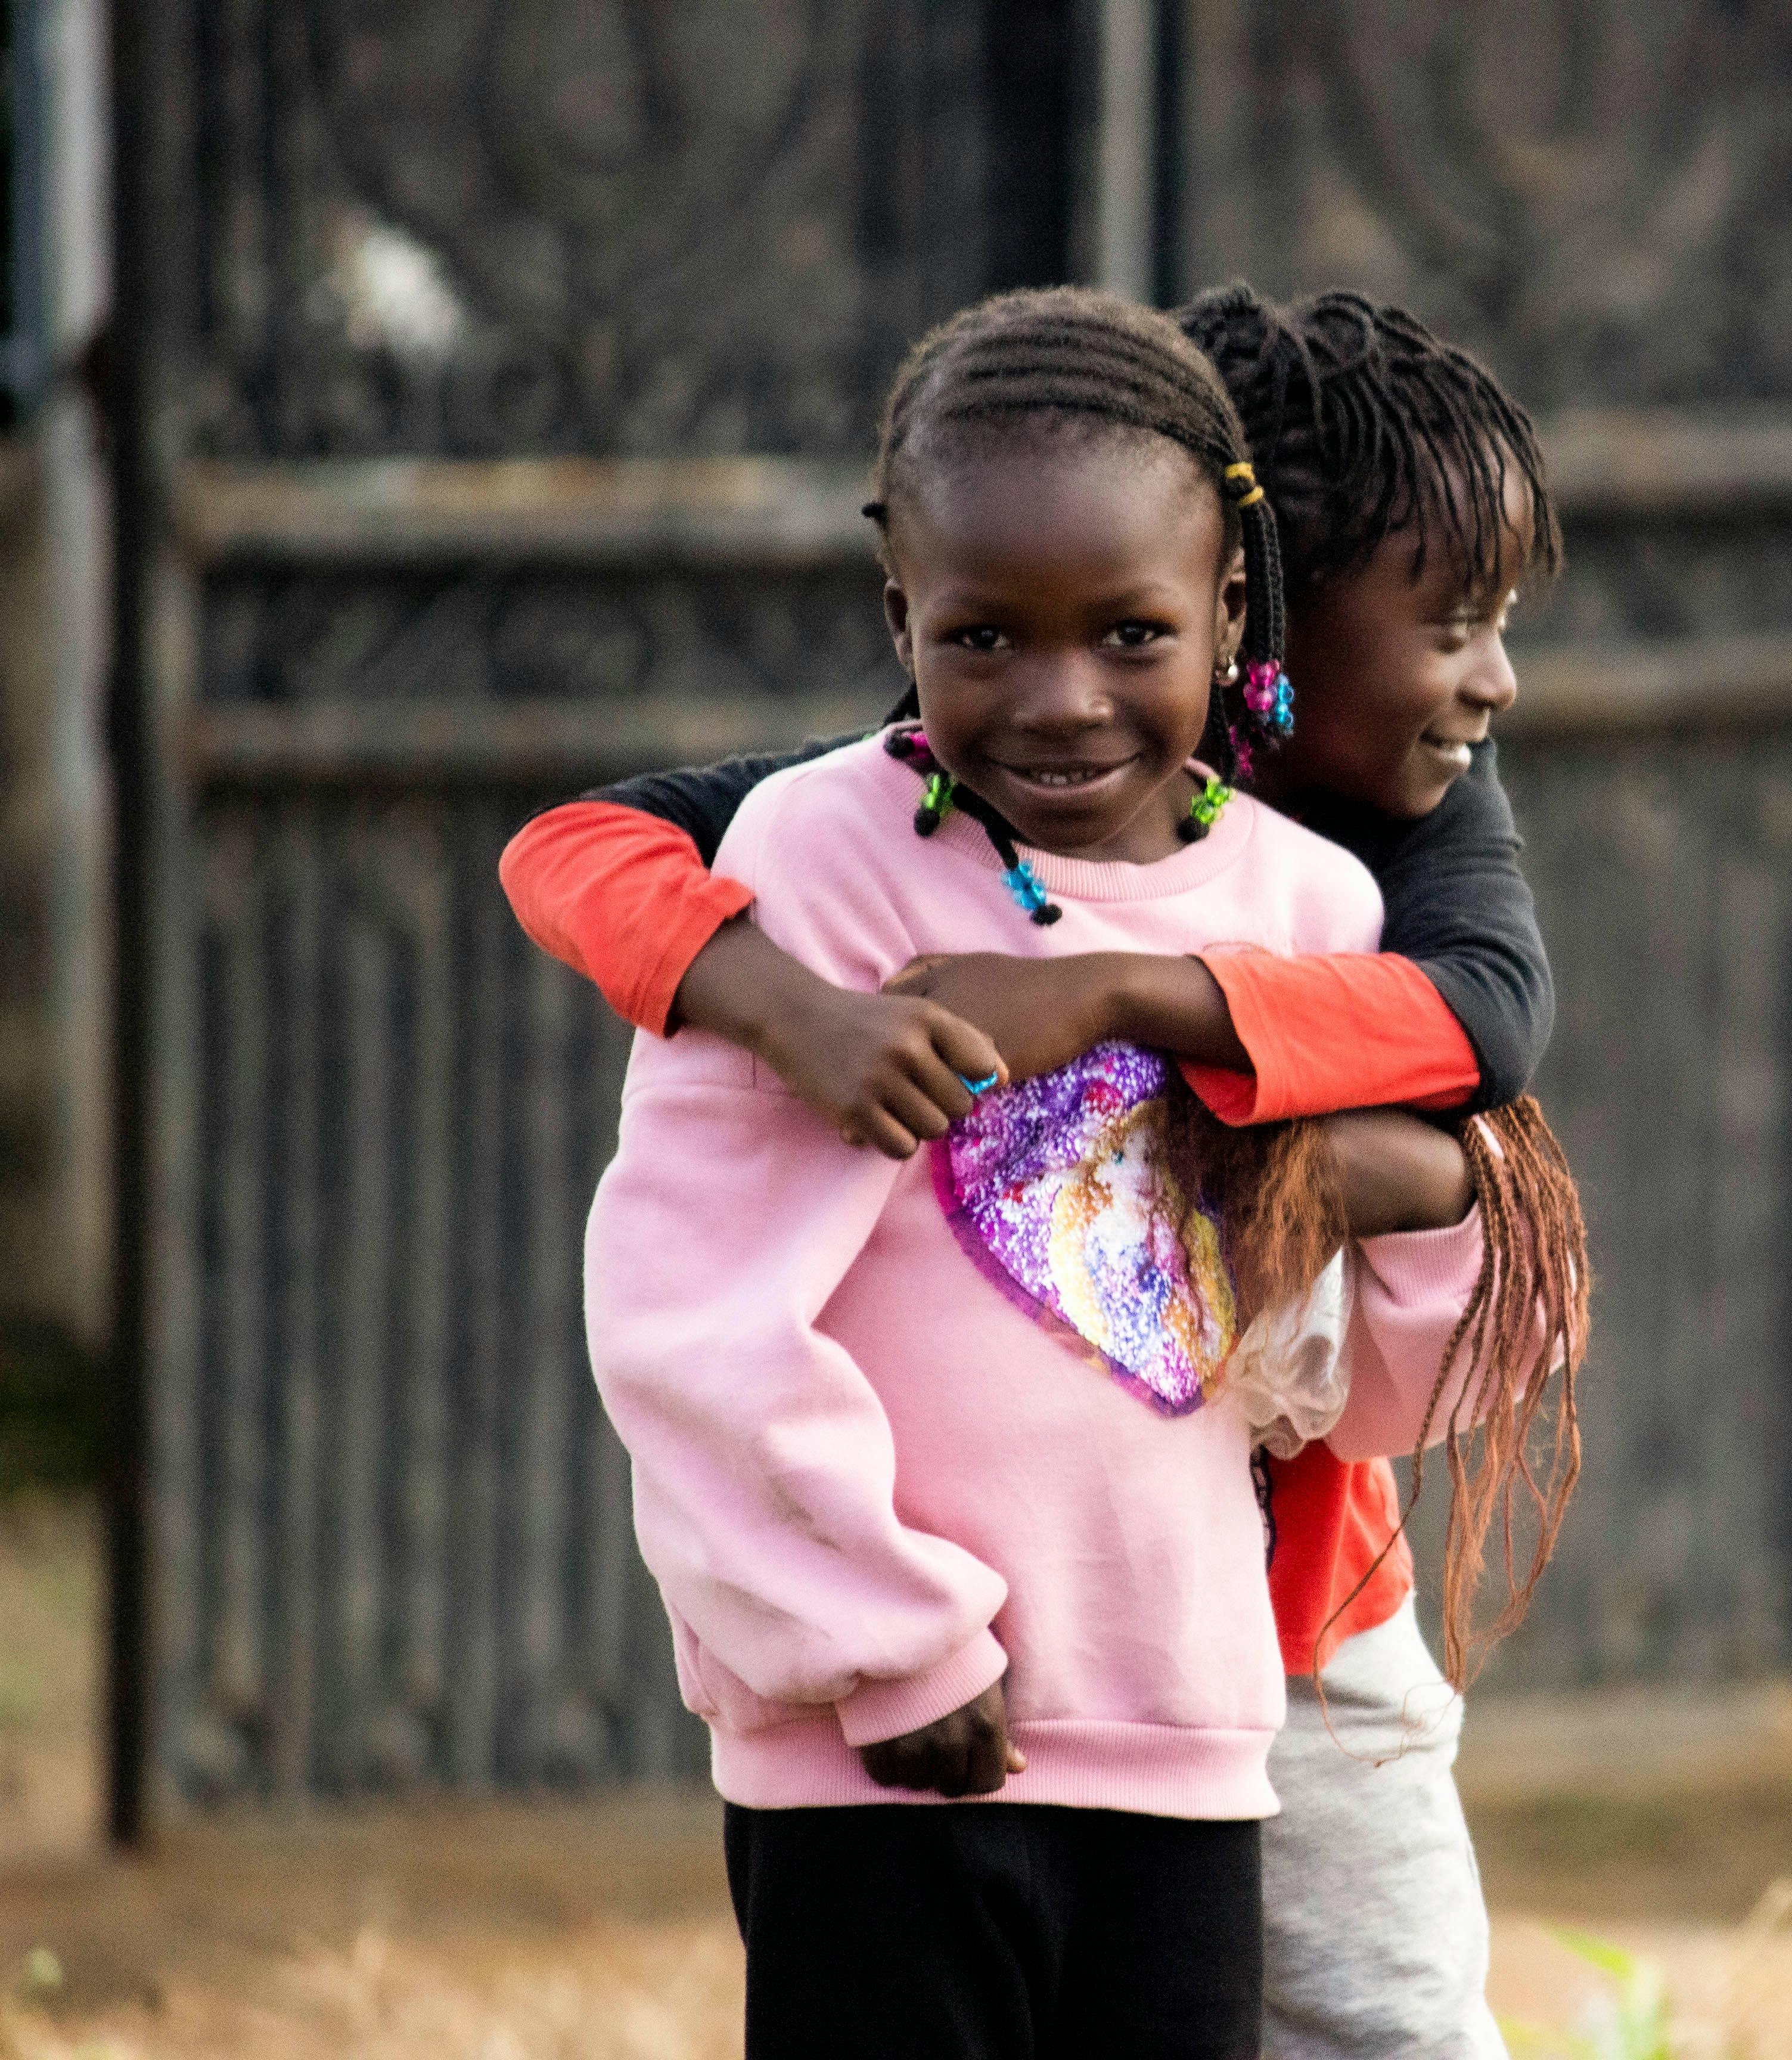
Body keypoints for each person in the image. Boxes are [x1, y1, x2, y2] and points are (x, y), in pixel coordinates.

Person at [507, 286, 1584, 2059]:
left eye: (1130, 629)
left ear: (1227, 605)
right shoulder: (885, 818)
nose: (1497, 679)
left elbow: (1489, 1032)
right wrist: (782, 1007)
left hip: (1262, 1627)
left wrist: (1141, 1013)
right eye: (1454, 623)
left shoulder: (1369, 865)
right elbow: (579, 852)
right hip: (944, 1691)